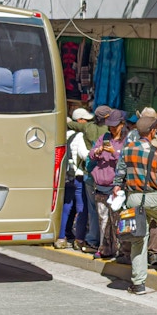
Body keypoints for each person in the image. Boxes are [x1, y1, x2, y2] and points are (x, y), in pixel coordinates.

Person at [113, 116, 157, 295]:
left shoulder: (127, 150)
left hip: (133, 198)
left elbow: (119, 173)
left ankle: (138, 283)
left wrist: (118, 186)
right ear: (152, 131)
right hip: (154, 197)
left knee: (139, 238)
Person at [68, 105, 111, 252]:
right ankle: (104, 241)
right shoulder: (109, 131)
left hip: (89, 172)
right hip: (105, 173)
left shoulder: (87, 127)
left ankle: (92, 239)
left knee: (93, 209)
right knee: (106, 210)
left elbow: (70, 124)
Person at [89, 108, 127, 259]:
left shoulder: (126, 140)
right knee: (103, 220)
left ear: (122, 124)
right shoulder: (104, 137)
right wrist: (96, 152)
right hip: (101, 186)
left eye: (114, 125)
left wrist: (114, 152)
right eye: (110, 125)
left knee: (117, 220)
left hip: (116, 187)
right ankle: (105, 248)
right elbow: (91, 154)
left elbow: (126, 162)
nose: (111, 128)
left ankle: (120, 250)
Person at [54, 115, 89, 250]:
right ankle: (78, 239)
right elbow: (83, 154)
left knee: (66, 207)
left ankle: (61, 237)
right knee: (81, 207)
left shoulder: (61, 135)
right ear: (78, 121)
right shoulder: (79, 137)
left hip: (65, 176)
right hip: (77, 176)